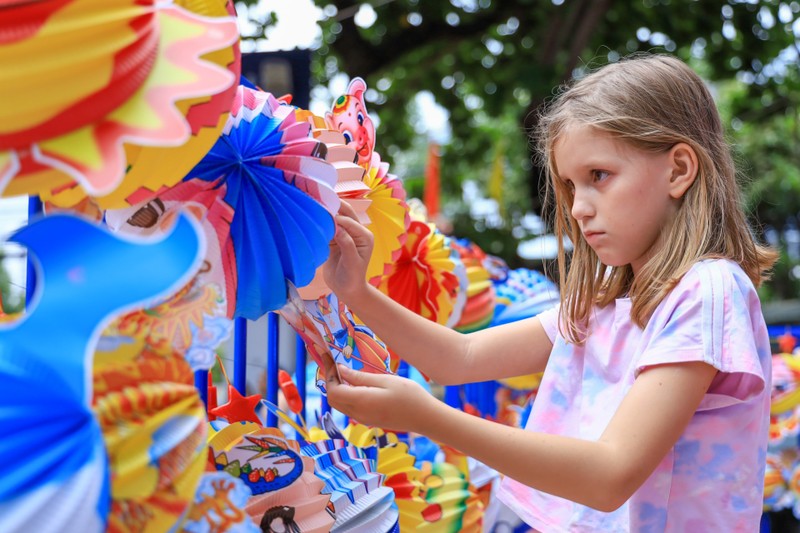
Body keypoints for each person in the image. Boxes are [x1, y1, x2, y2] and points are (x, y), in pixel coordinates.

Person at [320, 54, 778, 531]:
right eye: (569, 185)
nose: (578, 207)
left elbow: (610, 474)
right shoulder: (605, 297)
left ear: (679, 169)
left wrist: (427, 417)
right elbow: (461, 357)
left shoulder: (706, 290)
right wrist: (357, 293)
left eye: (598, 176)